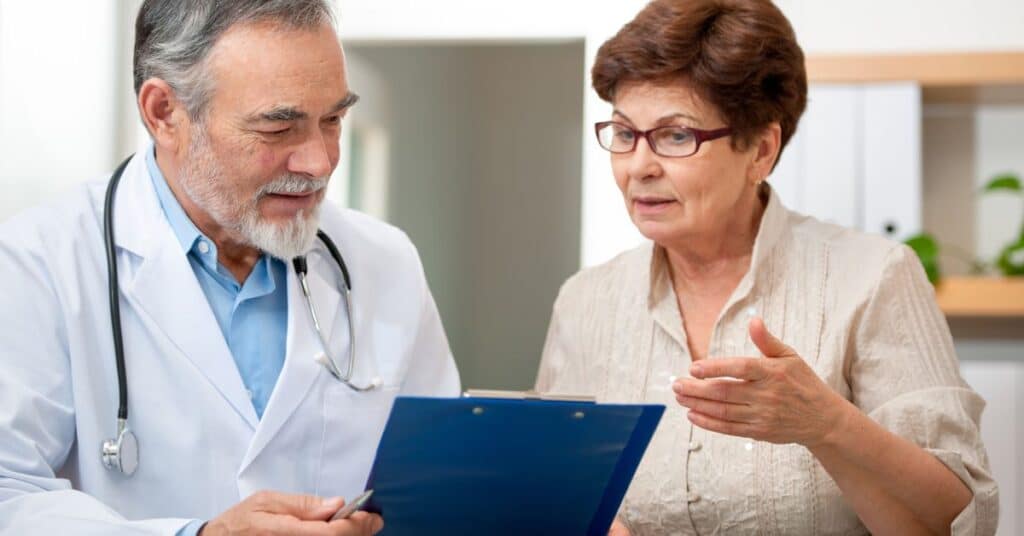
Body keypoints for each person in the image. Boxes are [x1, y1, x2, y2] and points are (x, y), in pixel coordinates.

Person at [535, 0, 998, 534]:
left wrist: (827, 425)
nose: (639, 166)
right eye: (624, 133)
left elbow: (954, 522)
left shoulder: (873, 276)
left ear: (760, 148)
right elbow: (558, 496)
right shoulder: (584, 302)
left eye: (676, 135)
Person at [0, 1, 460, 534]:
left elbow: (440, 488)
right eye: (277, 128)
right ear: (164, 113)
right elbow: (8, 492)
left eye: (332, 120)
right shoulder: (38, 264)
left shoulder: (385, 263)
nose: (319, 161)